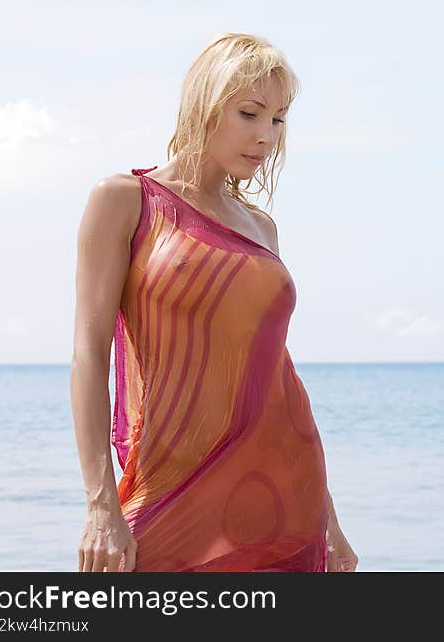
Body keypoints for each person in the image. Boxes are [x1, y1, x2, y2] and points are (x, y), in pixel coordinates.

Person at [70, 32, 358, 572]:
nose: (266, 135)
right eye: (250, 113)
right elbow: (89, 356)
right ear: (205, 104)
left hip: (281, 504)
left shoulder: (262, 228)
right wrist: (100, 505)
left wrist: (329, 523)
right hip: (169, 493)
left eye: (277, 119)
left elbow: (280, 381)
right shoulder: (125, 201)